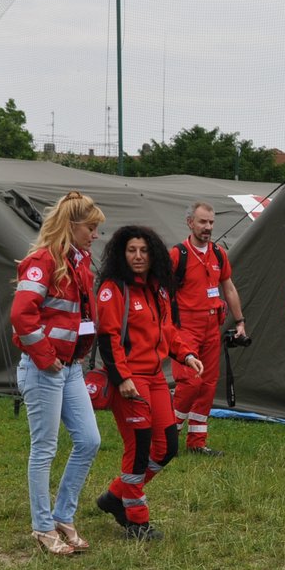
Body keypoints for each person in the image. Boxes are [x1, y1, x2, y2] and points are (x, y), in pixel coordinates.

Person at [93, 225, 204, 540]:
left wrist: (186, 355)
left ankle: (116, 495)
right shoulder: (113, 289)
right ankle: (135, 521)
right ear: (121, 254)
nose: (138, 256)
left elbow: (168, 331)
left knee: (167, 447)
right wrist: (122, 378)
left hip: (155, 378)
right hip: (130, 381)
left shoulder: (158, 288)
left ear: (153, 253)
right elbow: (108, 338)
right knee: (138, 448)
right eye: (131, 251)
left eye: (143, 250)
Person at [12, 191, 105, 555]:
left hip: (70, 369)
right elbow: (22, 314)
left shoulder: (79, 263)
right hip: (45, 369)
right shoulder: (43, 261)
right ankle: (42, 526)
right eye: (91, 227)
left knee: (89, 440)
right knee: (45, 448)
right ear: (72, 225)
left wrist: (74, 356)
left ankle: (63, 515)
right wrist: (45, 354)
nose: (95, 234)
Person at [170, 201, 246, 456]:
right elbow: (162, 292)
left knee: (207, 385)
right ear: (190, 222)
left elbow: (229, 287)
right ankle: (168, 436)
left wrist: (240, 322)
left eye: (211, 222)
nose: (208, 227)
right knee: (190, 381)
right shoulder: (177, 255)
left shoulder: (218, 254)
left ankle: (197, 443)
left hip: (212, 327)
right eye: (203, 222)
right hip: (186, 328)